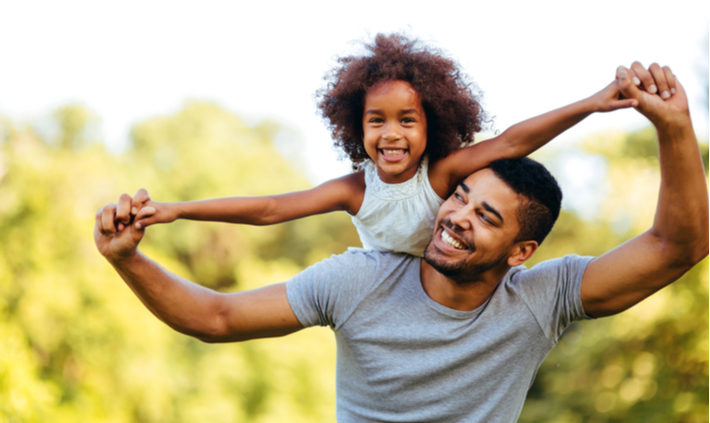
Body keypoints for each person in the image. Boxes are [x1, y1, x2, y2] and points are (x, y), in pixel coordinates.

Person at [94, 63, 708, 422]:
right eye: (460, 195)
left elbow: (677, 247)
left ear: (522, 252)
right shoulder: (358, 279)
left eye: (487, 216)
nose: (457, 214)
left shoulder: (541, 299)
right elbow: (216, 316)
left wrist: (675, 128)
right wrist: (130, 258)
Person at [128, 34, 637, 257]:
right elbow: (270, 208)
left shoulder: (440, 176)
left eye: (407, 121)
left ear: (431, 126)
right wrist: (177, 210)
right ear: (357, 127)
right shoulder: (355, 189)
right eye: (377, 121)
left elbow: (512, 141)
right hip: (386, 294)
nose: (391, 134)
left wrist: (590, 104)